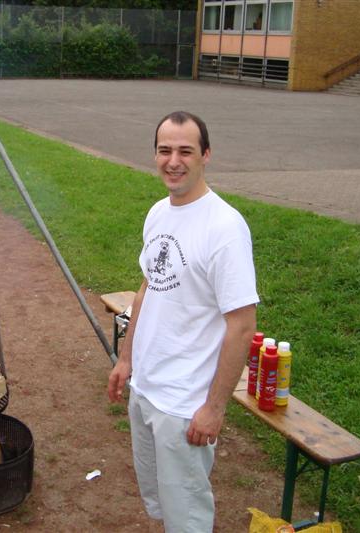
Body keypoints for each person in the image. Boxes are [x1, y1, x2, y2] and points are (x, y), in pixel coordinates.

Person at [108, 111, 259, 532]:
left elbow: (242, 325)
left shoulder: (225, 227)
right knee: (159, 504)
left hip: (183, 406)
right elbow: (147, 289)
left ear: (206, 155)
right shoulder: (158, 212)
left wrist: (214, 408)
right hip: (145, 388)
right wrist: (126, 359)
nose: (173, 161)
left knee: (187, 517)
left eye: (185, 151)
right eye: (164, 150)